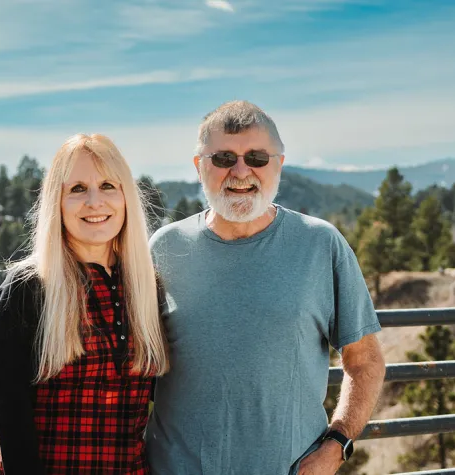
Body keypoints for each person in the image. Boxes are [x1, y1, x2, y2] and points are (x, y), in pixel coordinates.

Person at [145, 101, 386, 475]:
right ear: (199, 166)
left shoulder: (321, 244)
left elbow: (365, 361)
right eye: (224, 158)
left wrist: (336, 447)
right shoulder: (164, 248)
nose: (241, 171)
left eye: (257, 157)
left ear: (279, 164)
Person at [0, 133, 170, 474]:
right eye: (77, 189)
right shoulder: (29, 288)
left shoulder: (147, 287)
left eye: (107, 186)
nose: (95, 202)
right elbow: (9, 412)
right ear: (56, 202)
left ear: (126, 196)